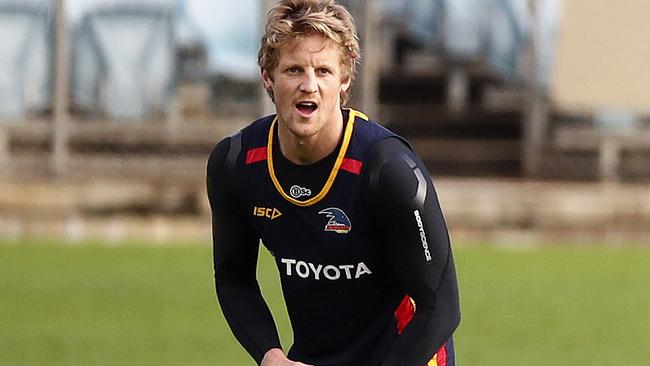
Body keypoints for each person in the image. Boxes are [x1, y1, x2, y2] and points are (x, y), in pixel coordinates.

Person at [206, 1, 460, 365]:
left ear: (344, 82)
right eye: (293, 69)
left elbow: (441, 305)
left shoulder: (387, 170)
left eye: (323, 71)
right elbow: (233, 278)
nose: (308, 85)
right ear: (268, 78)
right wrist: (271, 356)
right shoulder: (236, 163)